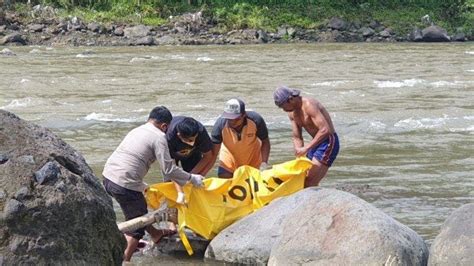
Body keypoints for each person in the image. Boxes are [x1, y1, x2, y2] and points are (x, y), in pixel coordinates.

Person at [102, 106, 204, 262]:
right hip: (124, 183)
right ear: (164, 126)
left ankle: (156, 234)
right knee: (137, 228)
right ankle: (124, 260)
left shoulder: (137, 130)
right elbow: (169, 169)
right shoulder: (159, 137)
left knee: (138, 213)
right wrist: (192, 178)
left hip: (108, 177)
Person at [273, 86, 339, 187]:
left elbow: (325, 129)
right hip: (315, 143)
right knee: (302, 177)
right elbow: (297, 137)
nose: (283, 110)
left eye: (283, 106)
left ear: (291, 99)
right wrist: (299, 153)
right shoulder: (291, 113)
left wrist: (306, 148)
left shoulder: (309, 105)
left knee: (310, 181)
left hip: (328, 141)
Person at [211, 98, 270, 178]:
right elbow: (212, 154)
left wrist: (264, 163)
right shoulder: (220, 126)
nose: (232, 122)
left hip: (253, 159)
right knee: (225, 181)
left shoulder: (256, 120)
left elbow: (265, 141)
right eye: (229, 119)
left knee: (254, 186)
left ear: (244, 115)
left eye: (236, 119)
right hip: (229, 159)